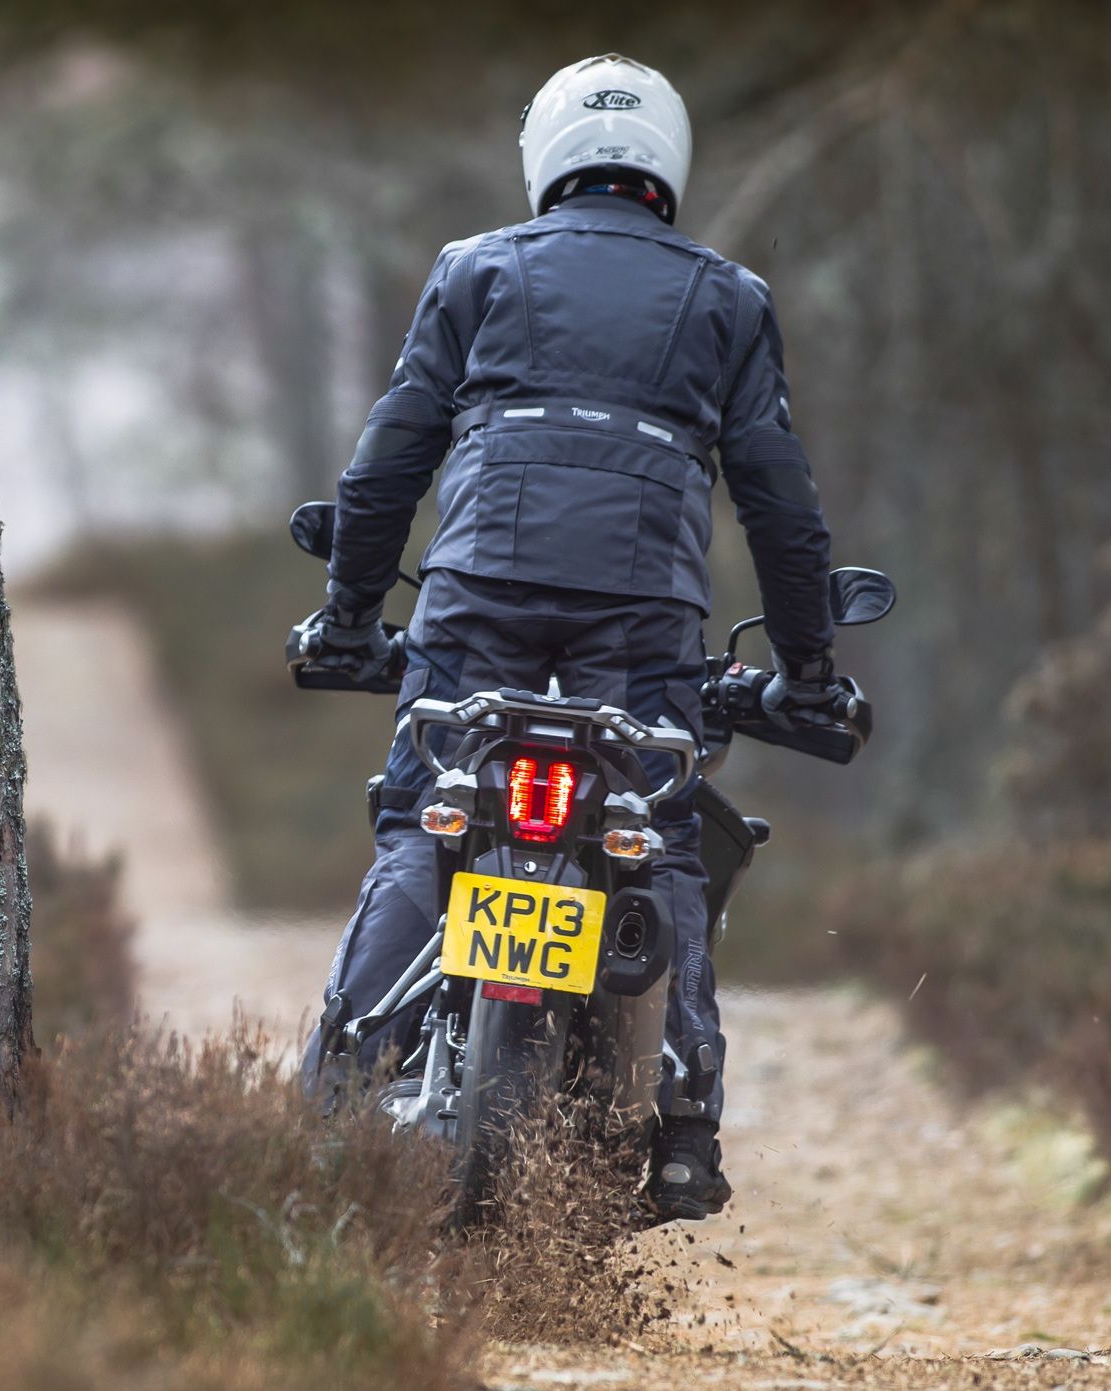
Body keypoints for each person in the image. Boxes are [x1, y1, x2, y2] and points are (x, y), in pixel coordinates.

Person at [296, 54, 846, 1221]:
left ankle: (333, 1098)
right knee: (661, 847)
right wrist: (809, 671)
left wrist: (348, 616)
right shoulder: (729, 298)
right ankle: (686, 1119)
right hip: (643, 618)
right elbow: (780, 506)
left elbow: (388, 461)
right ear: (671, 166)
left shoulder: (475, 270)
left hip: (477, 593)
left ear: (545, 155)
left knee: (418, 821)